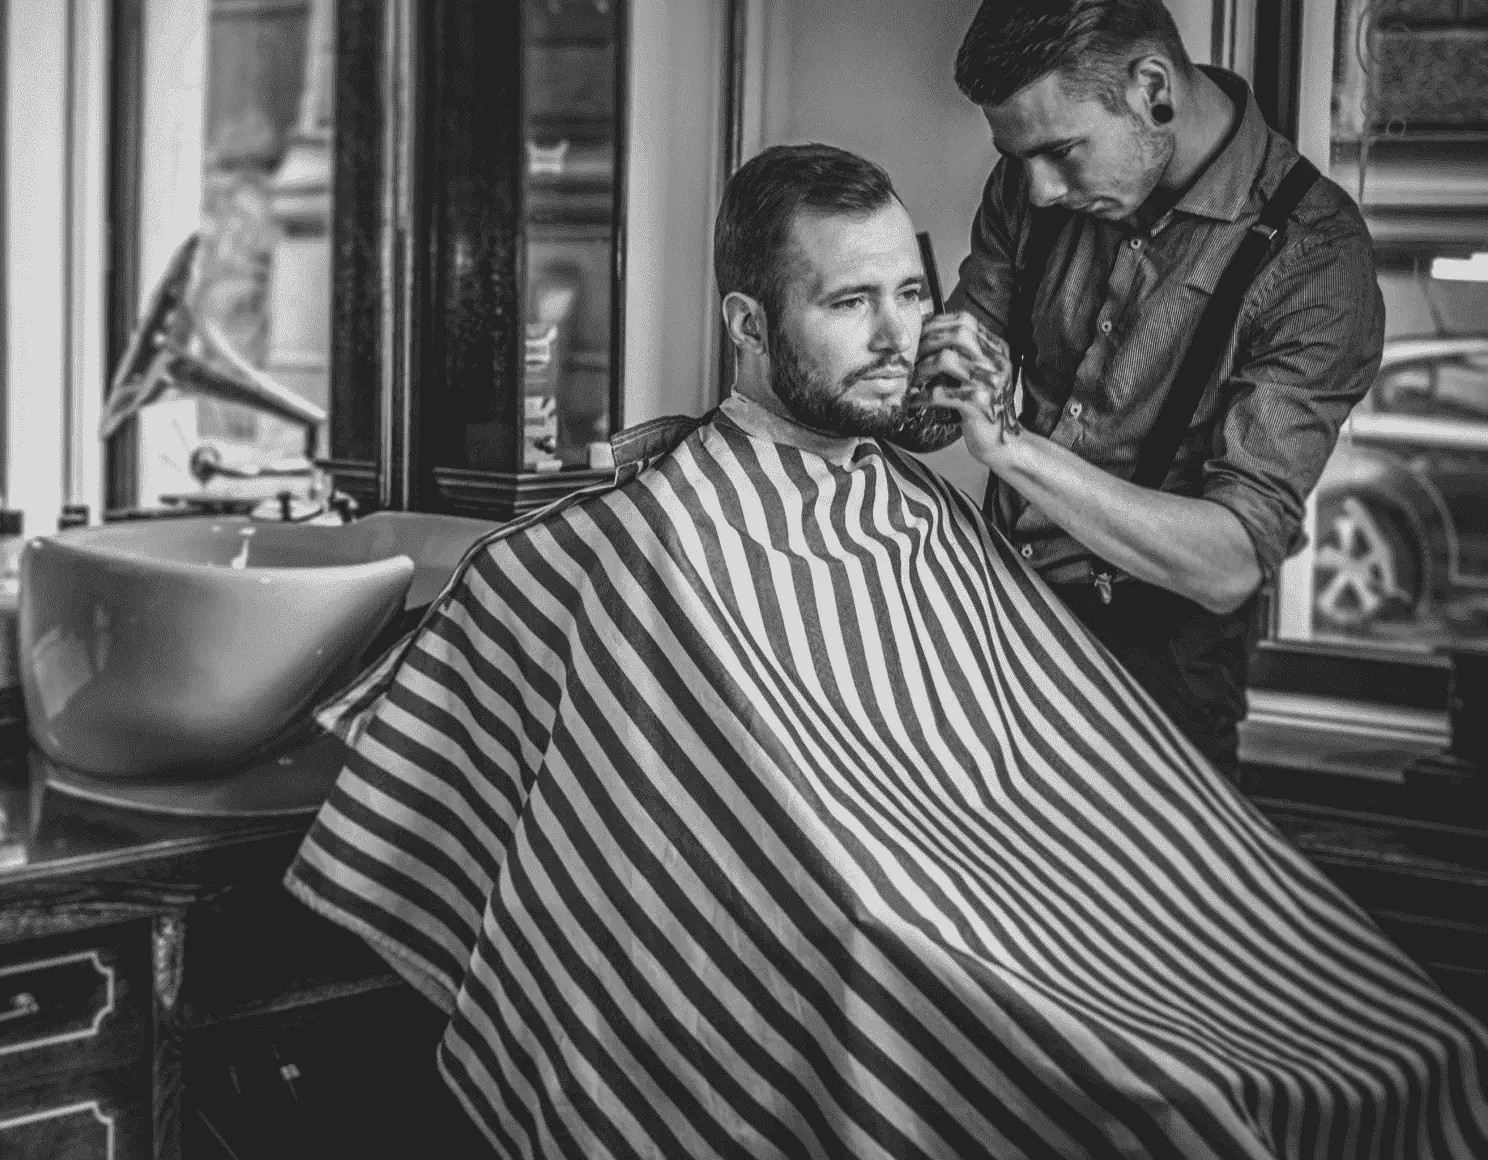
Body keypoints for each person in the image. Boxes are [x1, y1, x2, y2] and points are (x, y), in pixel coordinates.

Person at [287, 143, 1488, 1160]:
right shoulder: (643, 540)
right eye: (849, 301)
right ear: (750, 324)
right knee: (1162, 1108)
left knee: (1412, 1049)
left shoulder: (916, 509)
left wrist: (1003, 444)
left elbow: (1045, 782)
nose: (898, 335)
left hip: (1053, 915)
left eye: (912, 295)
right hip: (894, 952)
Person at [919, 0, 1385, 779]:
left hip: (1156, 681)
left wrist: (1012, 449)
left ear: (1153, 90)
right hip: (993, 622)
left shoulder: (1314, 259)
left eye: (1061, 150)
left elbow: (1231, 559)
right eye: (1018, 158)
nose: (1036, 190)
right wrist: (897, 342)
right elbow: (940, 410)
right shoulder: (1030, 186)